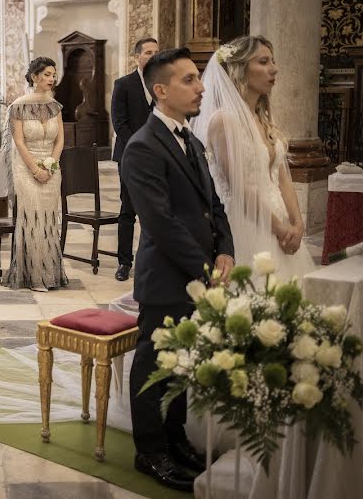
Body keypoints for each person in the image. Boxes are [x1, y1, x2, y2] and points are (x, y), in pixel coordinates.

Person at [122, 47, 234, 491]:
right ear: (161, 90)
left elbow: (214, 203)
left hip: (199, 271)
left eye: (198, 78)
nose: (201, 86)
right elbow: (161, 224)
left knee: (183, 363)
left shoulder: (192, 139)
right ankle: (149, 451)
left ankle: (175, 438)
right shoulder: (143, 146)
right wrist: (207, 269)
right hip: (166, 278)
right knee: (154, 365)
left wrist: (225, 249)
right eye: (189, 79)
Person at [192, 36, 314, 285]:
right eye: (263, 61)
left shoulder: (262, 118)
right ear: (240, 69)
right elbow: (239, 187)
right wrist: (279, 229)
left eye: (273, 61)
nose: (274, 68)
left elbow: (282, 177)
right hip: (246, 221)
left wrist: (297, 223)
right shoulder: (224, 121)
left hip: (279, 220)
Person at [2, 57, 67, 291]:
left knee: (48, 221)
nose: (51, 79)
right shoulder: (18, 106)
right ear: (34, 77)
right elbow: (18, 141)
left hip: (51, 169)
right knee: (31, 219)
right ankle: (32, 276)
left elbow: (60, 139)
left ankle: (50, 274)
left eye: (53, 74)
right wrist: (35, 169)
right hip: (25, 168)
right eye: (47, 74)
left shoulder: (55, 106)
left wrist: (51, 164)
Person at [111, 37, 159, 281]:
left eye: (156, 52)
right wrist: (139, 148)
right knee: (128, 210)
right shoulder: (124, 84)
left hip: (157, 157)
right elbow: (119, 122)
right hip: (130, 156)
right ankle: (124, 263)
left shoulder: (163, 84)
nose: (152, 56)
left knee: (155, 210)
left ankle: (152, 262)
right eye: (148, 52)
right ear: (137, 57)